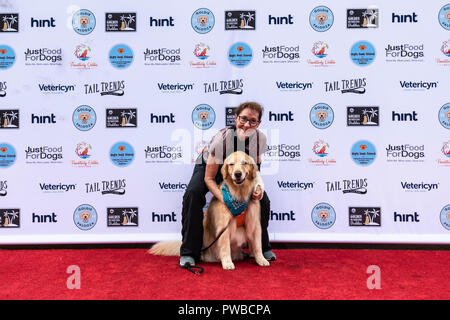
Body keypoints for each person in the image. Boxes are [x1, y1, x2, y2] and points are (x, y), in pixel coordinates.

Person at [179, 101, 275, 267]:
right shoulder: (223, 139)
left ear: (258, 123)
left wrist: (257, 189)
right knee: (193, 194)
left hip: (239, 171)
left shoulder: (259, 139)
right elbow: (209, 179)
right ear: (236, 118)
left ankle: (261, 248)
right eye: (243, 119)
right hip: (211, 168)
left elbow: (255, 171)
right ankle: (189, 252)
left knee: (263, 201)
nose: (247, 124)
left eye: (252, 121)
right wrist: (223, 198)